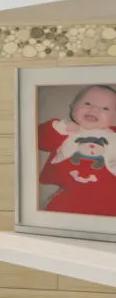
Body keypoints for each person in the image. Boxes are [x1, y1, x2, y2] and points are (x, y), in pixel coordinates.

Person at [39, 83, 116, 215]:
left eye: (105, 108)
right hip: (70, 196)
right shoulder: (66, 131)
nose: (95, 109)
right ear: (73, 106)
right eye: (87, 103)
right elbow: (39, 140)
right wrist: (60, 127)